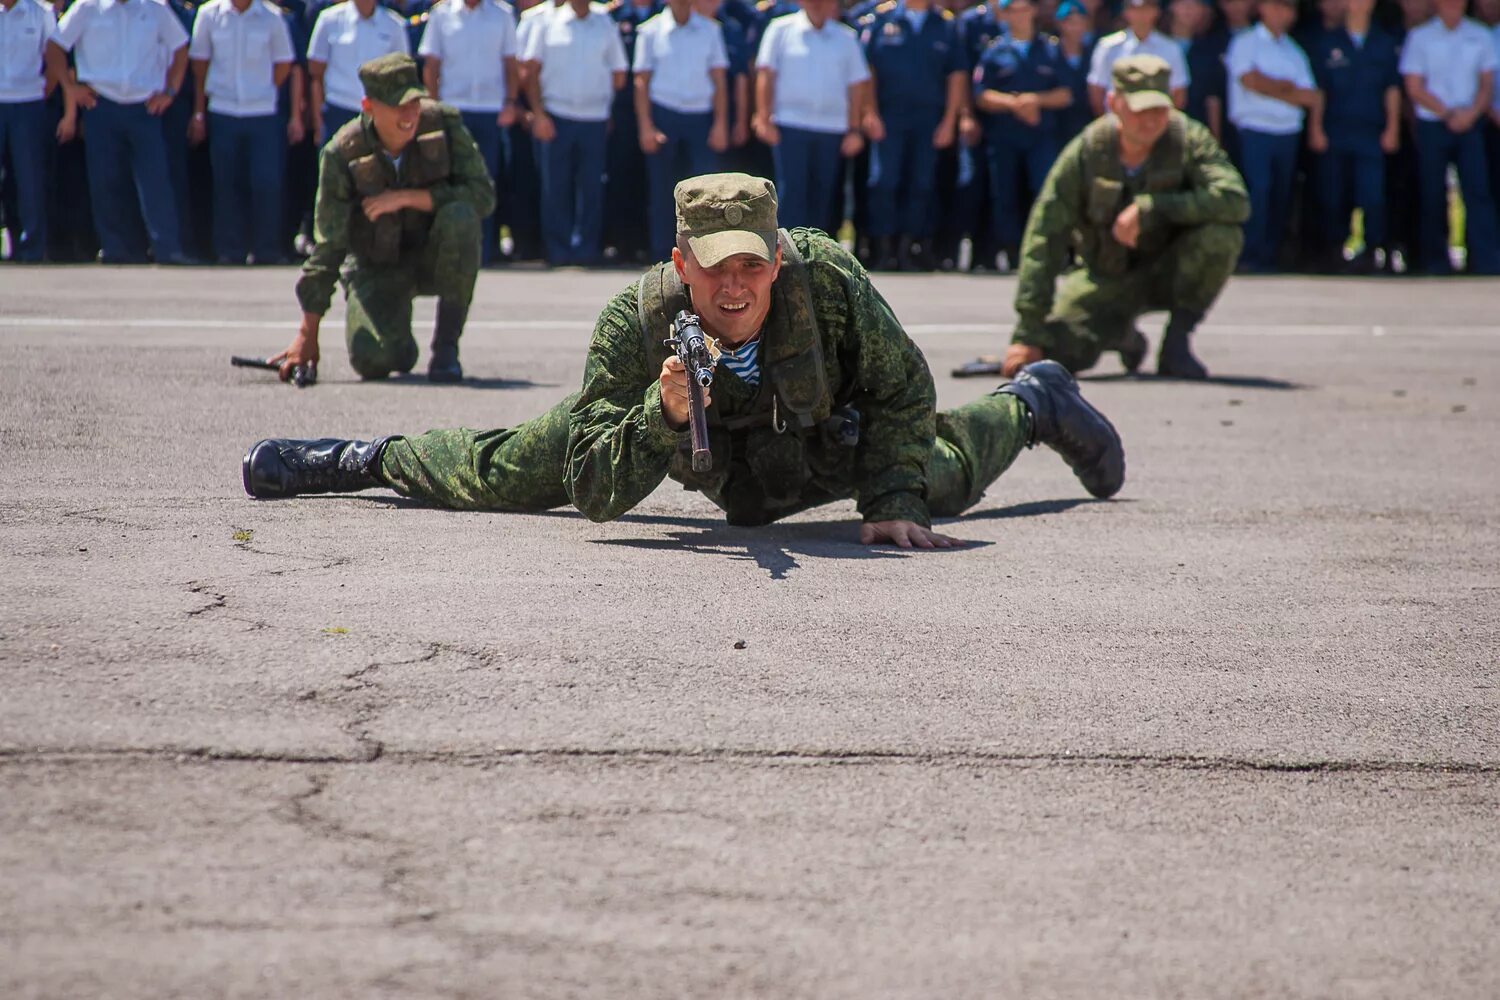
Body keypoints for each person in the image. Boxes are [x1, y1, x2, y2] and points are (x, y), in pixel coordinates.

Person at [243, 172, 1125, 550]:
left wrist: (891, 498)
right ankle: (361, 459)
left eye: (753, 264)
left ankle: (1032, 403)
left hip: (821, 443)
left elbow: (904, 388)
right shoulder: (640, 317)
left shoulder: (829, 281)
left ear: (778, 258)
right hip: (679, 439)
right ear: (680, 261)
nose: (735, 287)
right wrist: (658, 417)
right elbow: (592, 489)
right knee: (508, 469)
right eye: (715, 267)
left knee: (939, 477)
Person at [992, 55, 1247, 380]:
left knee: (1221, 236)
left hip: (1170, 270)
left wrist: (1153, 208)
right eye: (1141, 110)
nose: (1152, 120)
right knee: (1053, 357)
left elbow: (1234, 198)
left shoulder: (1189, 139)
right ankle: (1122, 335)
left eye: (1159, 109)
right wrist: (1027, 334)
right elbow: (1045, 236)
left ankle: (1177, 342)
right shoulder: (1087, 151)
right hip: (1105, 276)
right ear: (1114, 103)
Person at [268, 52, 494, 385]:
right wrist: (307, 333)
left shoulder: (443, 124)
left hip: (434, 257)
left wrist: (406, 198)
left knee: (461, 216)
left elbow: (483, 196)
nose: (410, 114)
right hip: (377, 266)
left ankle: (446, 348)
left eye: (414, 102)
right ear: (369, 106)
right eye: (398, 105)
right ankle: (397, 339)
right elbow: (329, 245)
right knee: (374, 360)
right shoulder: (342, 152)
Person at [55, 0, 192, 264]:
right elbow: (55, 45)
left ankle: (167, 249)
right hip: (101, 104)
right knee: (106, 180)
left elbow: (181, 47)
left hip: (145, 107)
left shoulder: (155, 7)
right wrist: (70, 88)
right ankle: (116, 249)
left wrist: (170, 91)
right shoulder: (87, 7)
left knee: (156, 181)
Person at [857, 0, 966, 271]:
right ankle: (883, 246)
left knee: (922, 183)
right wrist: (869, 112)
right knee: (883, 181)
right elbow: (866, 71)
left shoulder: (946, 25)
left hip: (929, 118)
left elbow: (957, 75)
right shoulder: (881, 20)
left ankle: (910, 246)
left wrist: (950, 120)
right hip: (889, 115)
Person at [187, 0, 298, 265]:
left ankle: (267, 249)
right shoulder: (209, 15)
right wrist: (199, 112)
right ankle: (230, 250)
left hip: (263, 112)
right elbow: (200, 66)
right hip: (223, 109)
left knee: (267, 183)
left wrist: (260, 89)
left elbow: (284, 64)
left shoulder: (271, 17)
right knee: (226, 183)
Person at [521, 0, 628, 266]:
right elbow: (530, 72)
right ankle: (558, 250)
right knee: (555, 187)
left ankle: (586, 250)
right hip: (556, 116)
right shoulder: (547, 22)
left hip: (594, 118)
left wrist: (601, 101)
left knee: (591, 187)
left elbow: (619, 74)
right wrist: (540, 114)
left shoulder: (605, 23)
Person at [1398, 0, 1500, 274]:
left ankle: (1485, 260)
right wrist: (1446, 113)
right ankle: (1435, 261)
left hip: (1470, 124)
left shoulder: (1480, 35)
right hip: (1434, 124)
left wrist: (1469, 114)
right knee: (1432, 193)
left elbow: (1487, 83)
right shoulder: (1420, 37)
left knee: (1477, 192)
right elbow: (1414, 86)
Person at [417, 0, 521, 266]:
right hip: (452, 109)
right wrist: (433, 107)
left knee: (484, 180)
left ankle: (482, 251)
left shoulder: (502, 14)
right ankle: (447, 249)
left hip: (489, 109)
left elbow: (511, 63)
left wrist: (510, 102)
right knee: (448, 178)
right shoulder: (441, 14)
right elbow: (431, 64)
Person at [753, 0, 870, 233]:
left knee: (825, 195)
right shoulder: (780, 29)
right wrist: (764, 118)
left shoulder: (846, 37)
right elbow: (766, 74)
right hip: (789, 124)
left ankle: (819, 256)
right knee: (791, 193)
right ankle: (788, 254)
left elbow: (857, 85)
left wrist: (855, 129)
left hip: (832, 128)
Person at [973, 0, 1072, 270]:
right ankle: (1013, 251)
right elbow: (981, 95)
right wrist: (1014, 104)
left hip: (1040, 136)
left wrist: (1034, 100)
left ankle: (1045, 250)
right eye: (1012, 10)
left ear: (1033, 11)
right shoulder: (994, 51)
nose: (1018, 15)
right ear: (1004, 14)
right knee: (1005, 195)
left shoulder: (1050, 49)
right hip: (1004, 136)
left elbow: (1065, 93)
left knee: (1044, 192)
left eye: (1023, 8)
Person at [1225, 0, 1321, 273]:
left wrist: (1272, 87)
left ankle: (1269, 255)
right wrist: (1285, 88)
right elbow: (1250, 81)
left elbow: (1309, 96)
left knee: (1280, 195)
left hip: (1287, 133)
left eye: (1288, 8)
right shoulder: (1246, 42)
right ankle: (1249, 255)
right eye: (1276, 6)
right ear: (1263, 8)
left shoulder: (1294, 51)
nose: (1282, 13)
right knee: (1259, 190)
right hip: (1255, 129)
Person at [1306, 0, 1400, 273]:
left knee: (1372, 195)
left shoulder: (1383, 42)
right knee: (1333, 193)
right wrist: (1316, 127)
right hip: (1335, 130)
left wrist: (1392, 127)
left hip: (1371, 130)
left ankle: (1373, 250)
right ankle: (1336, 249)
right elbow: (1319, 90)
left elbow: (1391, 89)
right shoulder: (1327, 42)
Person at [633, 0, 730, 260]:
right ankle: (662, 253)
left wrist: (721, 124)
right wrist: (646, 126)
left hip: (701, 116)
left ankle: (705, 254)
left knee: (705, 192)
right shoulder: (650, 31)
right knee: (662, 189)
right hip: (664, 114)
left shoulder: (711, 30)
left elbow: (719, 80)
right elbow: (641, 81)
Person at [0, 0, 73, 262]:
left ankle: (32, 248)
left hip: (28, 103)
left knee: (30, 177)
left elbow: (54, 56)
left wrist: (45, 90)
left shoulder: (41, 13)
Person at [307, 0, 410, 148]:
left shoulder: (394, 25)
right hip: (337, 110)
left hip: (378, 114)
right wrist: (318, 123)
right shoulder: (329, 19)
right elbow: (316, 74)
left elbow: (402, 76)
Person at [1087, 0, 1188, 116]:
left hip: (1157, 123)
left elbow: (1179, 93)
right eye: (1135, 9)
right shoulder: (1108, 47)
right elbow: (1097, 91)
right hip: (1117, 123)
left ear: (1156, 11)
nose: (1141, 14)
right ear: (1126, 12)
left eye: (1146, 8)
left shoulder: (1171, 48)